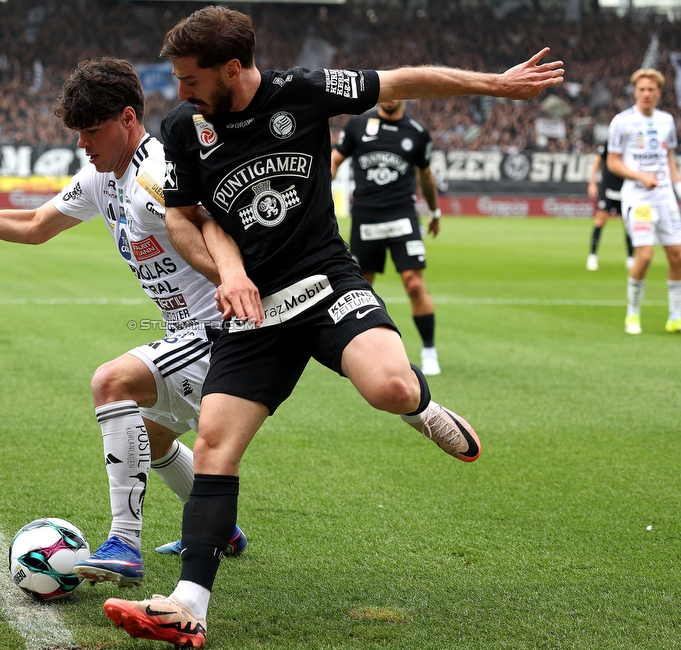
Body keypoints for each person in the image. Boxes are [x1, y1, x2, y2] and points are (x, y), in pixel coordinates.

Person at [102, 7, 563, 648]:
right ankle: (187, 604)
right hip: (254, 311)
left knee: (389, 389)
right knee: (213, 444)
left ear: (231, 68)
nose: (177, 90)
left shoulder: (306, 91)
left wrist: (494, 84)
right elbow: (188, 218)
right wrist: (228, 272)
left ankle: (421, 408)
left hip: (326, 285)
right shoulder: (184, 128)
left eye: (188, 78)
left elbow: (402, 81)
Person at [0, 57, 247, 589]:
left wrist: (239, 287)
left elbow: (223, 232)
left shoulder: (159, 176)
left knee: (111, 382)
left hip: (220, 332)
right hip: (186, 333)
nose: (83, 143)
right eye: (78, 132)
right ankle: (221, 530)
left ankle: (124, 544)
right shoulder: (100, 177)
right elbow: (38, 225)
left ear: (128, 119)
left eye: (92, 130)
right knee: (150, 439)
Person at [330, 99, 443, 375]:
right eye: (385, 93)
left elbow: (426, 176)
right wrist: (320, 193)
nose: (390, 98)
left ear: (404, 96)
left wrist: (435, 211)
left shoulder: (417, 132)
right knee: (361, 290)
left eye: (396, 93)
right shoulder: (357, 125)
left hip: (403, 216)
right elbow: (334, 160)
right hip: (366, 218)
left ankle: (429, 350)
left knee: (414, 284)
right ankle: (359, 352)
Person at [606, 68, 681, 335]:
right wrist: (640, 176)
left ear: (659, 93)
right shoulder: (622, 122)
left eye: (651, 89)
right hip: (639, 200)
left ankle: (675, 316)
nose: (646, 94)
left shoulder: (667, 121)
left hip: (665, 199)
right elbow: (612, 161)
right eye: (641, 89)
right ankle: (633, 313)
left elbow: (669, 156)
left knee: (677, 256)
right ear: (635, 91)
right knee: (646, 256)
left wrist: (678, 188)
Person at [585, 139, 631, 271]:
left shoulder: (631, 141)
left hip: (626, 189)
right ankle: (592, 257)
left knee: (628, 224)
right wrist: (592, 183)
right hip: (608, 189)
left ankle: (631, 259)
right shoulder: (609, 142)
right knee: (600, 221)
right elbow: (597, 161)